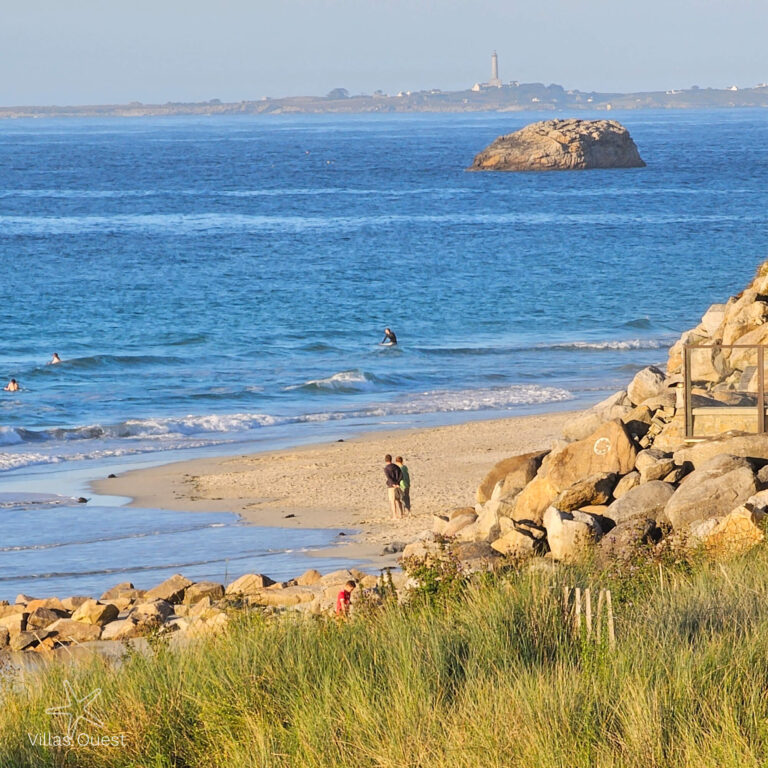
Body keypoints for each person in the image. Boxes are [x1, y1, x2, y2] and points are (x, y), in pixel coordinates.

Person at [384, 454, 404, 520]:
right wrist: (398, 482)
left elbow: (389, 477)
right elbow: (401, 475)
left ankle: (395, 516)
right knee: (398, 500)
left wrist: (393, 484)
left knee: (392, 501)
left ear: (385, 460)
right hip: (397, 485)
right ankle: (401, 514)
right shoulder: (396, 466)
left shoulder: (386, 468)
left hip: (391, 486)